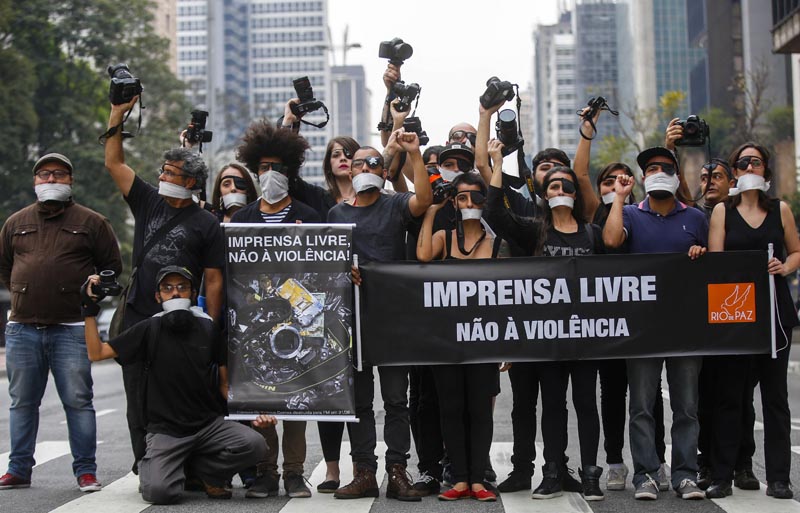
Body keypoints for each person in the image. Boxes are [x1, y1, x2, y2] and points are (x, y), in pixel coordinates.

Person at [105, 96, 226, 473]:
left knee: (182, 393)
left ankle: (190, 466)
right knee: (137, 395)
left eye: (171, 173)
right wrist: (116, 115)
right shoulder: (147, 201)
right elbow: (114, 162)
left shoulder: (207, 224)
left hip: (184, 322)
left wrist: (214, 328)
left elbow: (214, 280)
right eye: (162, 170)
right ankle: (146, 462)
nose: (162, 177)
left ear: (191, 181)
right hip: (140, 315)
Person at [81, 266, 273, 503]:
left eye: (182, 288)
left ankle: (208, 472)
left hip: (207, 426)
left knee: (255, 445)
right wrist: (89, 309)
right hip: (166, 431)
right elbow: (97, 353)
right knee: (158, 492)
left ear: (192, 295)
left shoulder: (208, 329)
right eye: (168, 288)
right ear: (158, 296)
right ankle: (177, 468)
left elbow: (225, 385)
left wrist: (252, 411)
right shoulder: (148, 329)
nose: (175, 294)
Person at [487, 141, 605, 502]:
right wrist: (496, 162)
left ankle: (589, 473)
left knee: (586, 404)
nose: (561, 190)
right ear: (542, 191)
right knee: (553, 404)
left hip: (585, 337)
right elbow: (495, 212)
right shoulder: (532, 229)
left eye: (567, 185)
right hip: (547, 338)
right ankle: (552, 470)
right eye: (553, 186)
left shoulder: (592, 234)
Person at [0, 153, 122, 492]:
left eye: (59, 175)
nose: (51, 180)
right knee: (22, 402)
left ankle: (86, 471)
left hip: (71, 326)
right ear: (35, 182)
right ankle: (18, 469)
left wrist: (95, 286)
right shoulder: (15, 222)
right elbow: (4, 267)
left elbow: (112, 267)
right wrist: (25, 289)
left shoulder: (92, 222)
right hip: (22, 326)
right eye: (44, 175)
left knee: (78, 401)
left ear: (70, 181)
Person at [327, 129, 432, 501]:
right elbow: (325, 267)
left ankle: (398, 470)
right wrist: (343, 271)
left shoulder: (395, 204)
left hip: (392, 321)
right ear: (350, 171)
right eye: (360, 162)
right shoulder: (335, 214)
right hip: (351, 322)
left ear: (384, 171)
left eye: (375, 161)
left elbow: (424, 200)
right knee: (359, 402)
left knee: (396, 400)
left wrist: (414, 154)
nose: (367, 166)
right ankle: (364, 472)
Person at [603, 147, 708, 501]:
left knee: (686, 406)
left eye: (665, 167)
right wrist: (619, 197)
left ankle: (685, 475)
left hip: (686, 327)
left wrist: (701, 255)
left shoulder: (694, 218)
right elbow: (611, 240)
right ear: (643, 178)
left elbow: (714, 267)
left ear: (677, 176)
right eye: (651, 168)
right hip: (644, 329)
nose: (658, 171)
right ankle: (646, 475)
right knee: (642, 406)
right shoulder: (631, 213)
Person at [705, 142, 800, 499]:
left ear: (766, 171)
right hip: (737, 314)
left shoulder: (781, 210)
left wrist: (785, 266)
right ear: (734, 173)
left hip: (775, 313)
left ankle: (779, 477)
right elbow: (716, 262)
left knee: (775, 399)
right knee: (730, 397)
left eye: (755, 162)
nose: (748, 168)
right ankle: (722, 474)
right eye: (741, 163)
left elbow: (796, 251)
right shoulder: (721, 212)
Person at [232, 119, 320, 499]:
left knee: (296, 399)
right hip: (255, 320)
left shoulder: (310, 215)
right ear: (255, 170)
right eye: (264, 167)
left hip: (297, 319)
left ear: (290, 170)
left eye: (278, 167)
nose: (270, 174)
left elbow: (324, 270)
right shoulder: (240, 220)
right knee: (263, 395)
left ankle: (295, 474)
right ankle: (266, 472)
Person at [417, 168, 499, 503]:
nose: (468, 202)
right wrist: (433, 212)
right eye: (461, 197)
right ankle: (460, 478)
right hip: (446, 339)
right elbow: (422, 256)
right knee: (450, 409)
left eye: (475, 196)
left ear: (484, 199)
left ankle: (478, 479)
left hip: (485, 338)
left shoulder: (497, 243)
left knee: (480, 410)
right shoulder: (445, 238)